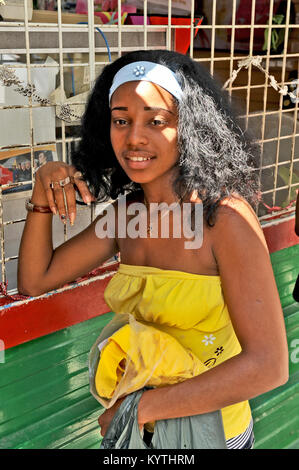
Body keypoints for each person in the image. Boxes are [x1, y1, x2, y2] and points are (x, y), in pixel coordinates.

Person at [17, 49, 289, 449]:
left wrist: (139, 408)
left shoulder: (225, 220)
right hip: (142, 437)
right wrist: (42, 192)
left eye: (156, 121)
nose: (134, 138)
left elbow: (269, 367)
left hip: (211, 436)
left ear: (190, 127)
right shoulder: (125, 218)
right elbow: (35, 280)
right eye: (121, 120)